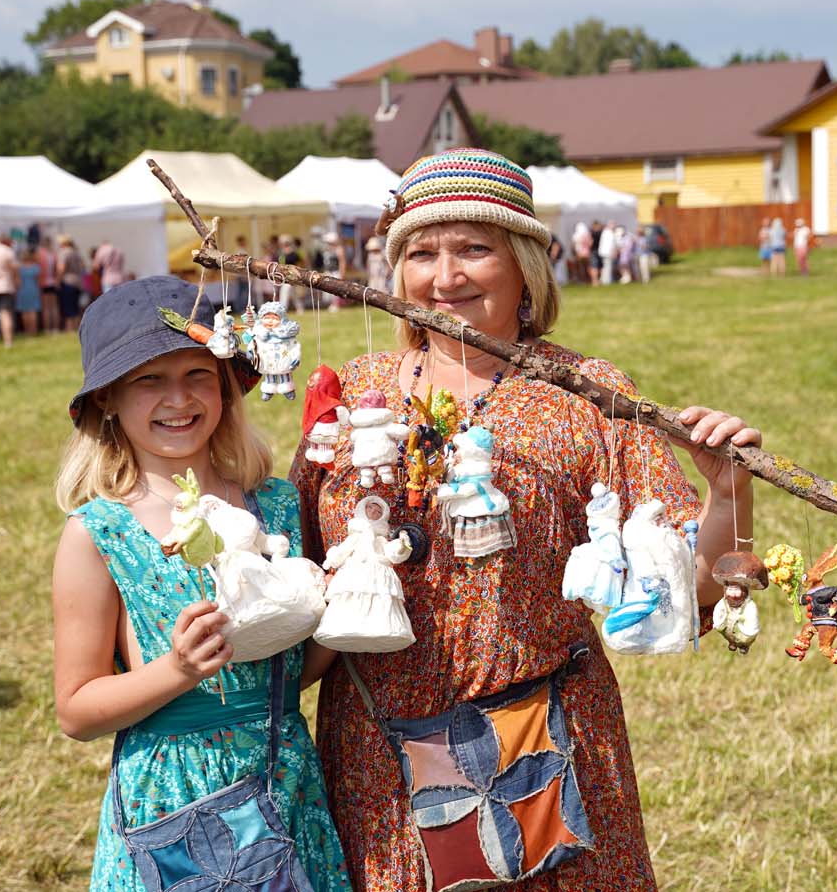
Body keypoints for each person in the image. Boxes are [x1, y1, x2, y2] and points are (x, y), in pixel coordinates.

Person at [292, 148, 759, 890]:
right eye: (421, 252)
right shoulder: (354, 392)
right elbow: (296, 570)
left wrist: (728, 495)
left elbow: (696, 593)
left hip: (546, 743)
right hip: (374, 748)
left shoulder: (587, 396)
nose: (445, 278)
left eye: (475, 248)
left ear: (525, 268)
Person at [52, 276, 352, 892]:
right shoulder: (100, 533)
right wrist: (179, 670)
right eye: (148, 380)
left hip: (285, 779)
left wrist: (344, 604)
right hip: (175, 804)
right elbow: (76, 711)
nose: (178, 398)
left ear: (224, 385)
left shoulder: (276, 506)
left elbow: (287, 670)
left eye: (197, 373)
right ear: (107, 399)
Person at [54, 234, 86, 333]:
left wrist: (57, 280)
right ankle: (77, 328)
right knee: (75, 307)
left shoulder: (64, 253)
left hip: (68, 281)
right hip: (78, 281)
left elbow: (61, 268)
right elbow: (83, 267)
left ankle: (69, 329)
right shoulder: (76, 252)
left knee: (68, 307)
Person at [15, 244, 44, 335]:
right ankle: (33, 331)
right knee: (33, 311)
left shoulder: (19, 267)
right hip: (33, 289)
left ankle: (27, 331)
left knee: (24, 312)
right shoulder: (36, 267)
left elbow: (17, 281)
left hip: (22, 290)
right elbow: (39, 281)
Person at [35, 234, 60, 334]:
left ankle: (47, 329)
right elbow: (57, 268)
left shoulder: (40, 253)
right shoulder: (53, 253)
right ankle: (56, 328)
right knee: (54, 307)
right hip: (52, 281)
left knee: (46, 308)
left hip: (43, 282)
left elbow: (38, 269)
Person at [597, 220, 620, 284]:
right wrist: (613, 252)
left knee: (605, 266)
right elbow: (610, 244)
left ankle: (604, 280)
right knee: (607, 267)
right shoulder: (609, 233)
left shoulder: (606, 232)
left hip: (604, 252)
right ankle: (607, 281)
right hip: (607, 253)